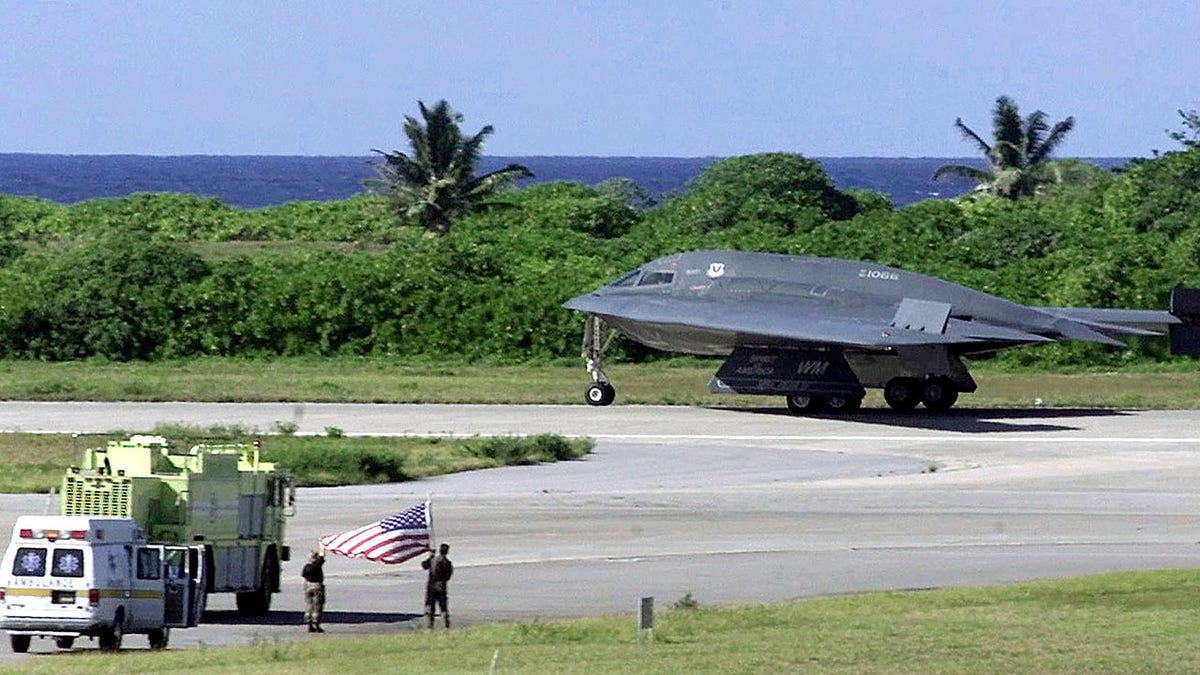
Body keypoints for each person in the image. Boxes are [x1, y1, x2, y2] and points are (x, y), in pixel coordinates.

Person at [421, 543, 453, 629]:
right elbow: (448, 576)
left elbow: (424, 565)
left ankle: (429, 626)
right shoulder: (448, 563)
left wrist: (430, 557)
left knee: (430, 607)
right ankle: (445, 626)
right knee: (443, 607)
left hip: (431, 586)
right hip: (442, 586)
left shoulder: (433, 560)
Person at [301, 549, 326, 633]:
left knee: (309, 604)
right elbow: (322, 559)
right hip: (316, 586)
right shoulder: (317, 566)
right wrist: (322, 550)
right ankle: (316, 623)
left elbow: (303, 575)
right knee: (317, 605)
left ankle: (309, 622)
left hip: (307, 585)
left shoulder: (306, 567)